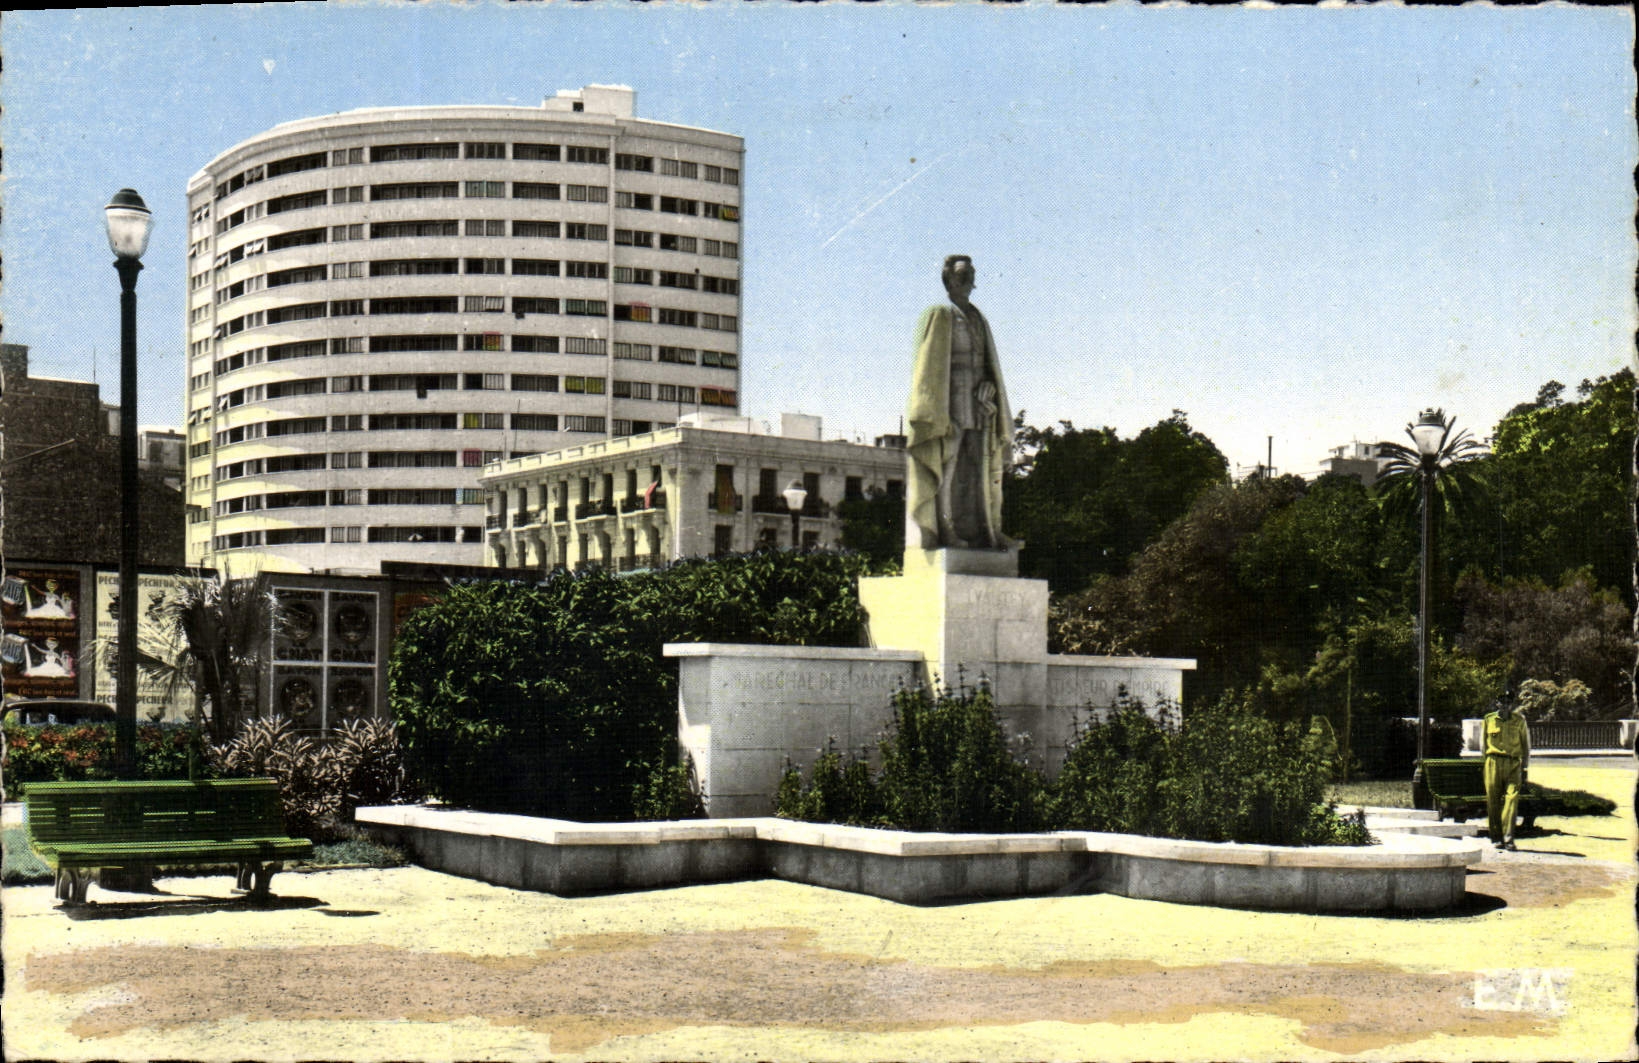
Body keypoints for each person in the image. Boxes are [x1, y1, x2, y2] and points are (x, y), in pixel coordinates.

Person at [905, 255, 1012, 550]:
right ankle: (944, 528)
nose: (968, 279)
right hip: (950, 401)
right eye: (962, 274)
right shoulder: (939, 313)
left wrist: (989, 385)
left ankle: (987, 531)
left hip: (980, 401)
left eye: (971, 273)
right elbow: (928, 368)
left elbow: (988, 364)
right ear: (949, 278)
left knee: (982, 464)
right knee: (947, 465)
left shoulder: (978, 317)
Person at [1483, 697, 1531, 850]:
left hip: (1513, 764)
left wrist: (1524, 768)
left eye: (1508, 703)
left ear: (1512, 705)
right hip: (1493, 762)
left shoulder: (1519, 720)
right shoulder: (1489, 719)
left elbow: (1526, 745)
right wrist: (1486, 763)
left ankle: (1508, 838)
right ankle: (1496, 837)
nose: (1505, 706)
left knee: (1512, 799)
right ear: (1497, 703)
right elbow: (1483, 744)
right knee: (1493, 800)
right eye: (1502, 702)